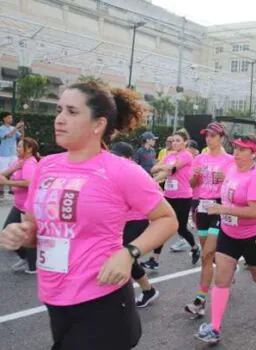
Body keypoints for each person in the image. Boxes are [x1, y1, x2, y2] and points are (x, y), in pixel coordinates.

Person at [0, 82, 177, 349]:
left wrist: (128, 253)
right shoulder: (46, 167)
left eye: (72, 112)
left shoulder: (121, 171)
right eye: (59, 110)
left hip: (102, 300)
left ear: (98, 124)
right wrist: (20, 235)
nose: (59, 119)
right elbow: (35, 231)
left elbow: (167, 219)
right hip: (55, 296)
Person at [195, 135, 256, 344]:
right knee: (222, 279)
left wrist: (221, 209)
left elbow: (255, 211)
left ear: (254, 154)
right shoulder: (232, 170)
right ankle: (214, 328)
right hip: (228, 233)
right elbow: (227, 195)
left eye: (243, 150)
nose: (237, 153)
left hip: (252, 236)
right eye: (236, 148)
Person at [185, 122, 233, 317]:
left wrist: (226, 177)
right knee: (208, 256)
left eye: (213, 136)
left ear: (222, 138)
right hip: (202, 206)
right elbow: (191, 183)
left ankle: (200, 300)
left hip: (219, 206)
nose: (208, 139)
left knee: (207, 253)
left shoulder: (230, 160)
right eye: (207, 136)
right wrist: (195, 177)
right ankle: (229, 265)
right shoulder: (200, 158)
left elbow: (236, 185)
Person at [110, 141, 160, 308]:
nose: (114, 159)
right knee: (121, 255)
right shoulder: (114, 171)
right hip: (122, 220)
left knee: (125, 255)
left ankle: (146, 290)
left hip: (138, 220)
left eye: (118, 156)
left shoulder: (134, 172)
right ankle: (145, 290)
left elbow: (156, 194)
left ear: (129, 158)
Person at [148, 129, 200, 269]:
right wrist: (155, 178)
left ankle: (195, 248)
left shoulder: (187, 155)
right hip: (168, 195)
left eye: (178, 140)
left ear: (185, 143)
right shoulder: (170, 155)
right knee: (162, 225)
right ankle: (155, 260)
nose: (174, 143)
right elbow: (154, 169)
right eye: (173, 140)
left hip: (183, 196)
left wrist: (163, 169)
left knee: (181, 229)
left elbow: (171, 169)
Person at [2, 137, 39, 274]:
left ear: (29, 149)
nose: (17, 149)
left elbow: (29, 182)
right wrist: (14, 169)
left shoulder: (30, 163)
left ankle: (33, 266)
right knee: (8, 231)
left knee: (25, 235)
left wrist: (8, 183)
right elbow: (3, 175)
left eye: (19, 147)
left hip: (26, 207)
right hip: (18, 205)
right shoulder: (20, 162)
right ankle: (25, 258)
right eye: (17, 146)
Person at [0, 112, 24, 198]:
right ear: (4, 119)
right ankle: (1, 191)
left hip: (13, 153)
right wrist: (17, 127)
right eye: (9, 118)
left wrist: (22, 129)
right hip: (4, 153)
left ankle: (11, 190)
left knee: (14, 171)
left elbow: (22, 138)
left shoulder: (14, 128)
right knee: (3, 172)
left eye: (11, 118)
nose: (11, 119)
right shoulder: (1, 128)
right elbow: (9, 136)